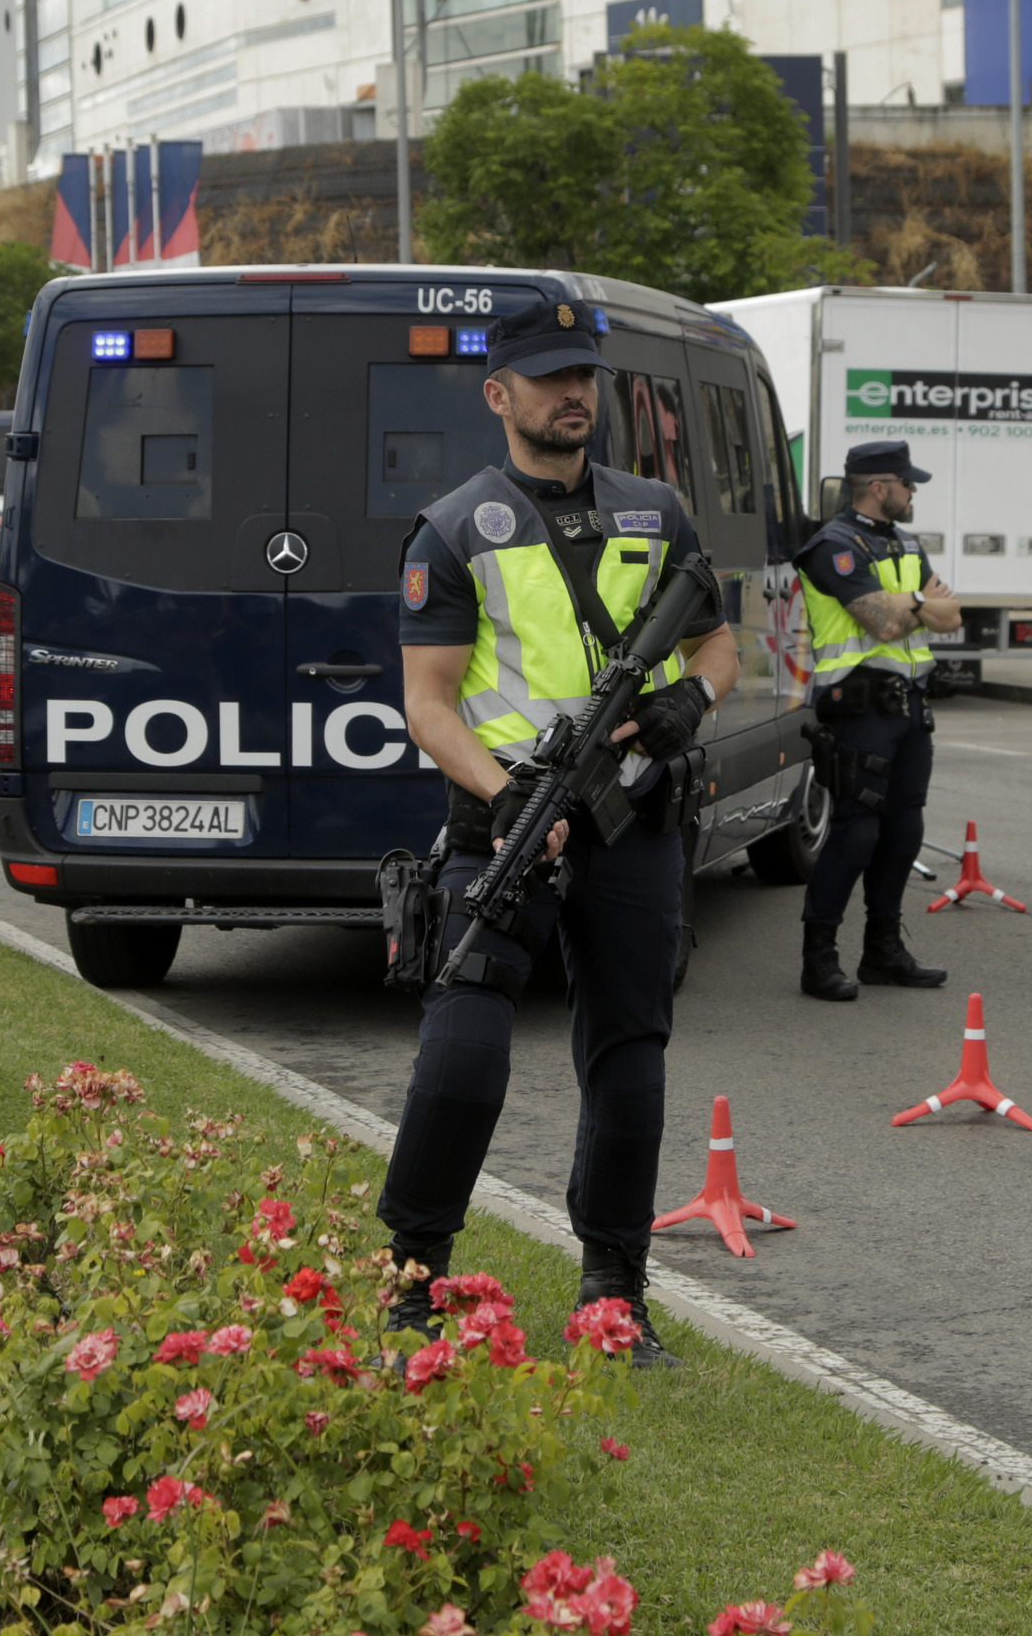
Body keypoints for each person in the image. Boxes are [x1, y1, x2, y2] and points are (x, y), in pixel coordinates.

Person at [381, 298, 738, 1368]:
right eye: (547, 378)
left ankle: (614, 1294)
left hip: (632, 821)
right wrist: (502, 798)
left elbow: (720, 644)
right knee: (467, 1041)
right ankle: (413, 1281)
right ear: (500, 395)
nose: (572, 393)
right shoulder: (452, 528)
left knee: (631, 1050)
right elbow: (428, 702)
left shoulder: (657, 510)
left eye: (583, 374)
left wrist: (691, 704)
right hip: (508, 811)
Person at [789, 440, 961, 1001]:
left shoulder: (904, 543)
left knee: (903, 830)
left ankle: (883, 950)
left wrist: (902, 603)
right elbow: (882, 624)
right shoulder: (831, 547)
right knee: (855, 833)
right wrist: (915, 603)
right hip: (858, 708)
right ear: (880, 487)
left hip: (909, 706)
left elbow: (950, 615)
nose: (914, 493)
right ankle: (820, 958)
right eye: (909, 484)